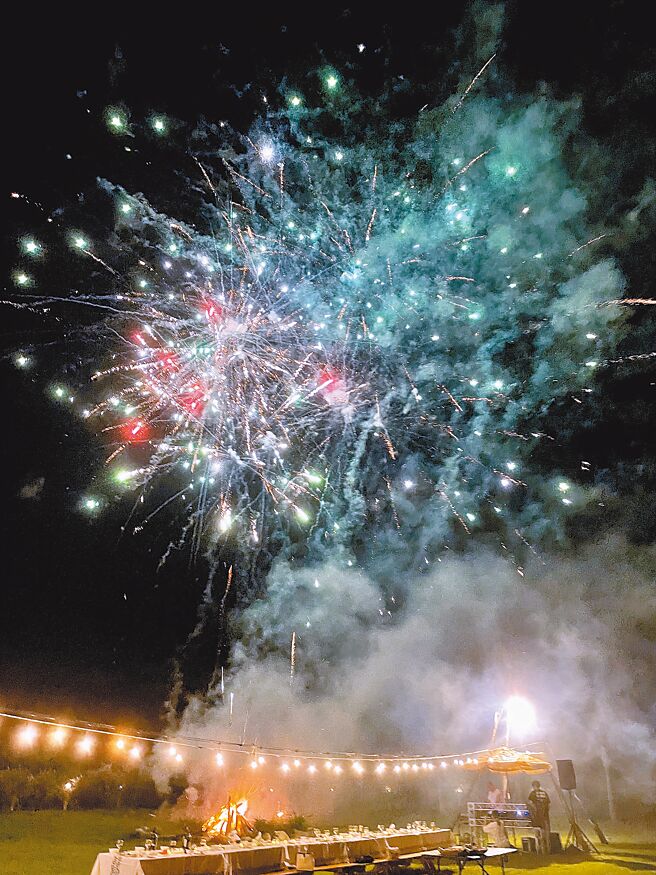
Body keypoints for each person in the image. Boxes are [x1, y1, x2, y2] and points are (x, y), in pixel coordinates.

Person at [528, 780, 551, 854]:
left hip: (537, 818)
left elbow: (530, 803)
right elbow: (549, 804)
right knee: (546, 834)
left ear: (534, 786)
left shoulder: (533, 794)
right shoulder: (544, 793)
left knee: (537, 835)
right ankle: (548, 850)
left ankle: (539, 850)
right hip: (545, 817)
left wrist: (534, 811)